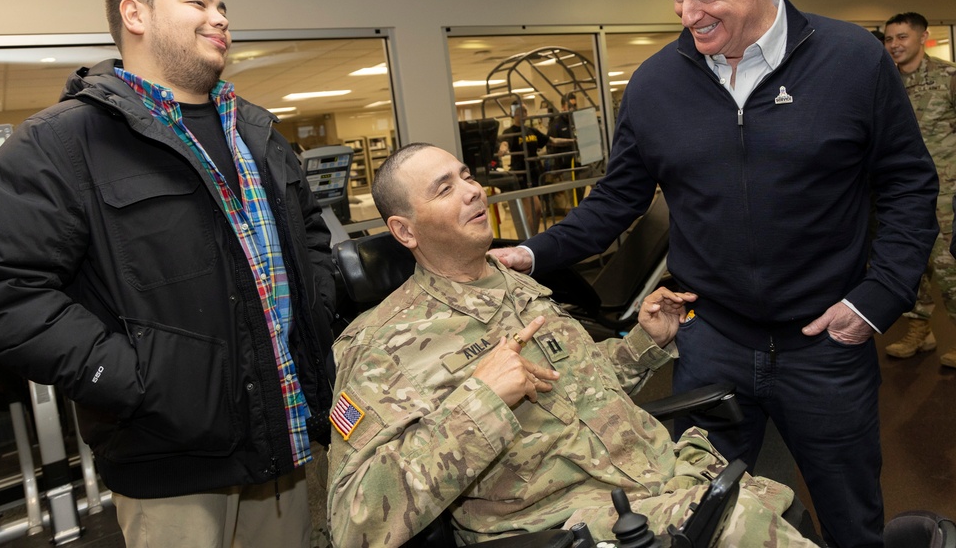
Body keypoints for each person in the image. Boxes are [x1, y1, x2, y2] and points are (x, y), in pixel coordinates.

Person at [491, 0, 938, 548]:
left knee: (851, 518)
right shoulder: (654, 84)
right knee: (697, 517)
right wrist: (528, 255)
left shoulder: (853, 61)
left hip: (826, 344)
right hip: (712, 342)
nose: (687, 15)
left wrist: (877, 299)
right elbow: (614, 204)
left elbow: (909, 184)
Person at [0, 0, 337, 548]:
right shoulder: (61, 143)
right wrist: (129, 377)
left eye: (222, 6)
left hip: (286, 443)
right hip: (171, 466)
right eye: (198, 2)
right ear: (135, 15)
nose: (220, 18)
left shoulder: (257, 131)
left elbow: (311, 236)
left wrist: (317, 305)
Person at [326, 142, 819, 548]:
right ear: (404, 230)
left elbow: (581, 387)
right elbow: (354, 522)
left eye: (467, 176)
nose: (474, 192)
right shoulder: (380, 346)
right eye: (445, 188)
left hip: (656, 476)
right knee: (751, 528)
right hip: (569, 521)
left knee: (778, 504)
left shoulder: (518, 286)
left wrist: (645, 342)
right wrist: (483, 401)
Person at [883, 12, 956, 367]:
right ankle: (920, 331)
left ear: (923, 37)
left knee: (949, 266)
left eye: (902, 37)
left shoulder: (949, 77)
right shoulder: (884, 82)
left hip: (947, 192)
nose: (895, 45)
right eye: (889, 39)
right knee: (911, 265)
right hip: (902, 193)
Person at [502, 100, 570, 234]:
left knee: (534, 212)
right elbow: (504, 143)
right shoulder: (510, 131)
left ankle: (529, 238)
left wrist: (573, 141)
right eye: (520, 112)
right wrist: (502, 149)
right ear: (513, 114)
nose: (523, 114)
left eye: (525, 111)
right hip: (521, 175)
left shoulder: (531, 131)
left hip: (534, 174)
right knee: (536, 209)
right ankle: (529, 239)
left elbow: (552, 141)